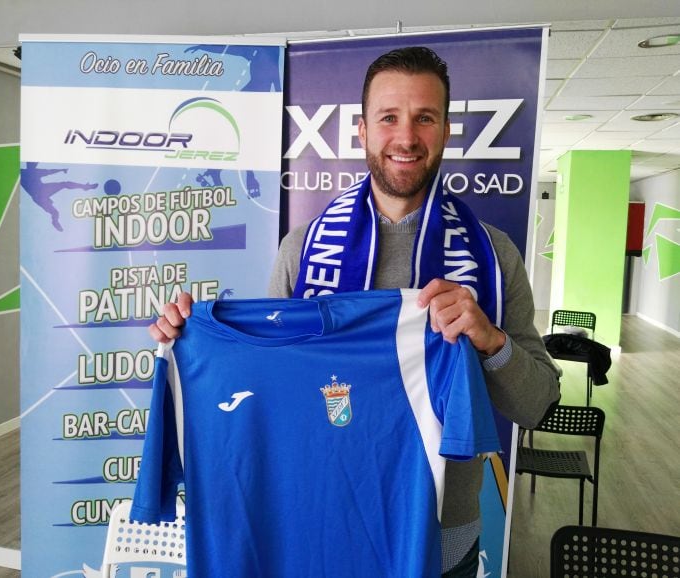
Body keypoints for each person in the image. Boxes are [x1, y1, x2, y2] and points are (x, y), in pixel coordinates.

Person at [149, 46, 560, 578]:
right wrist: (188, 341)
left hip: (439, 539)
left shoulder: (491, 254)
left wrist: (490, 340)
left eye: (424, 118)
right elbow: (268, 387)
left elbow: (539, 407)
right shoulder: (303, 249)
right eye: (389, 118)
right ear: (362, 131)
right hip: (318, 524)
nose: (406, 137)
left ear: (446, 131)